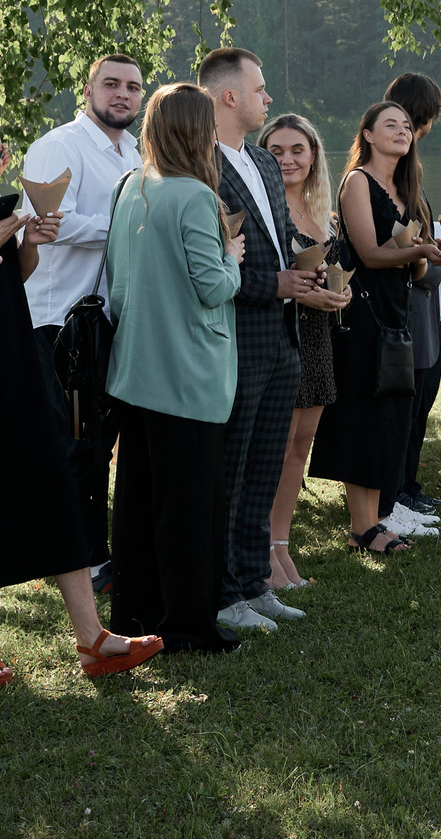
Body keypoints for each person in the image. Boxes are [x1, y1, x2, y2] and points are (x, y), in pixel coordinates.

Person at [0, 73, 163, 681]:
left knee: (46, 466)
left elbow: (13, 270)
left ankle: (91, 637)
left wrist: (31, 240)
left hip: (11, 336)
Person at [104, 84, 246, 649]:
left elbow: (116, 276)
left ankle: (135, 616)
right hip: (189, 370)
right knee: (191, 504)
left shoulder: (132, 185)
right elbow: (212, 287)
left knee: (138, 500)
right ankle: (188, 625)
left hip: (136, 365)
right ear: (197, 132)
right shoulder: (194, 196)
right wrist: (233, 259)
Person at [200, 47, 322, 636]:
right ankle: (222, 593)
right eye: (260, 89)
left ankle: (254, 582)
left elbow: (274, 245)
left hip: (283, 336)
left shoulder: (264, 163)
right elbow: (204, 265)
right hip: (236, 337)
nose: (268, 98)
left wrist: (305, 272)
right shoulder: (200, 167)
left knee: (265, 463)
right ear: (229, 97)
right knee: (233, 464)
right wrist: (271, 283)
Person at [21, 52, 146, 586]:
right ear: (89, 89)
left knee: (103, 443)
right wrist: (134, 227)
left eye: (133, 88)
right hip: (62, 323)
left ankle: (94, 550)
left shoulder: (139, 152)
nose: (122, 94)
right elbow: (49, 220)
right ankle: (77, 558)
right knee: (74, 443)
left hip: (113, 321)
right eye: (111, 84)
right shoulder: (59, 146)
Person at [311, 90, 441, 548]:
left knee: (389, 415)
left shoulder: (406, 189)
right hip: (363, 312)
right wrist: (418, 251)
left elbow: (416, 266)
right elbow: (369, 253)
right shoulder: (357, 182)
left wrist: (428, 256)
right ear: (368, 135)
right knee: (363, 416)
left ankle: (373, 521)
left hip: (396, 313)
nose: (403, 130)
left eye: (407, 126)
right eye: (391, 124)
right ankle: (361, 527)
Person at [257, 111, 354, 589]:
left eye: (298, 149)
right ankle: (261, 555)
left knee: (300, 447)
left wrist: (342, 291)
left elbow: (333, 272)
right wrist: (308, 294)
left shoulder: (323, 213)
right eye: (276, 150)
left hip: (318, 339)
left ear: (314, 155)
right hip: (278, 336)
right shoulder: (263, 208)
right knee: (275, 448)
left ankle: (281, 547)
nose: (288, 159)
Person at [391, 74, 441, 522]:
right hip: (413, 307)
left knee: (420, 405)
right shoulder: (398, 172)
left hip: (429, 305)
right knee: (410, 405)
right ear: (429, 113)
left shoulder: (410, 167)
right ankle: (399, 491)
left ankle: (409, 486)